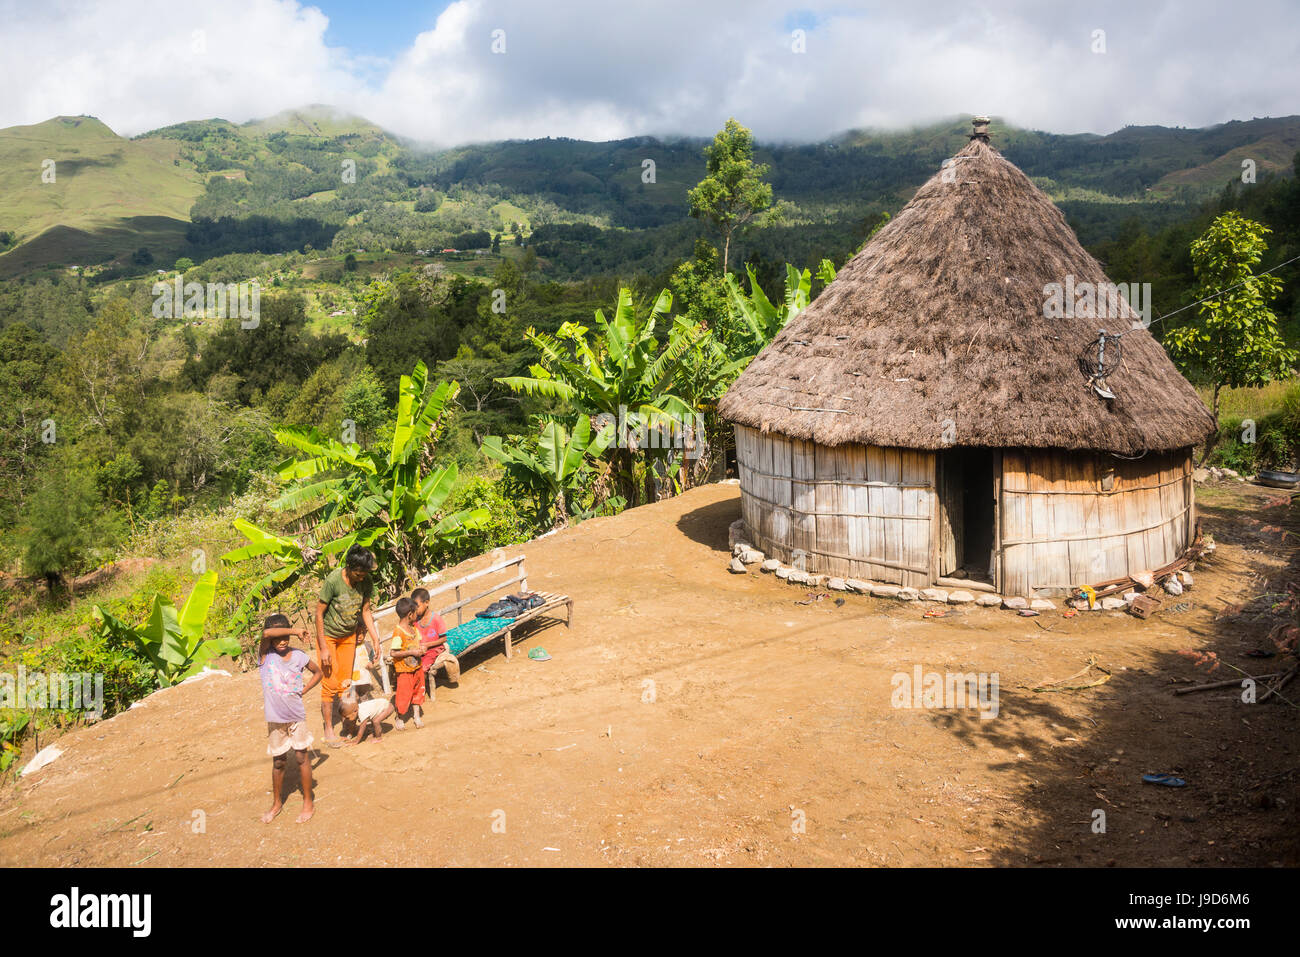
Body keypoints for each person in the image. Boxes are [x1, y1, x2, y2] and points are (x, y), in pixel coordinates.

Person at [315, 545, 381, 747]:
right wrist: (324, 647)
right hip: (329, 637)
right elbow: (318, 614)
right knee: (329, 683)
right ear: (350, 567)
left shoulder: (366, 581)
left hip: (348, 637)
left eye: (364, 575)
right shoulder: (333, 581)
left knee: (345, 683)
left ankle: (348, 725)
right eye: (359, 574)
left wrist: (375, 638)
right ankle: (328, 728)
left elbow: (366, 610)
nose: (361, 578)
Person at [259, 614, 321, 824]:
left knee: (302, 758)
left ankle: (308, 802)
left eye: (287, 635)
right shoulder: (265, 656)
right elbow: (266, 633)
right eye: (280, 636)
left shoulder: (298, 656)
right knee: (279, 762)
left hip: (296, 716)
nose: (283, 640)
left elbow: (318, 672)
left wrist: (304, 690)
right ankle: (277, 803)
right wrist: (294, 630)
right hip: (275, 720)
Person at [412, 586, 460, 700]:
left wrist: (427, 645)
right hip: (420, 649)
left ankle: (419, 692)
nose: (415, 609)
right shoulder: (414, 620)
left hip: (434, 649)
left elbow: (443, 639)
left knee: (422, 667)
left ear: (427, 603)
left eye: (417, 606)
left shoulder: (436, 619)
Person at [388, 596, 427, 728]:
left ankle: (416, 716)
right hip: (404, 670)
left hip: (417, 668)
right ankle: (399, 717)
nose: (417, 614)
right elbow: (393, 653)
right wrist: (411, 652)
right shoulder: (398, 632)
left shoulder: (414, 629)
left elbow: (420, 643)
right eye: (416, 612)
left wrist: (422, 648)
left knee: (418, 691)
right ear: (410, 614)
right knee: (404, 695)